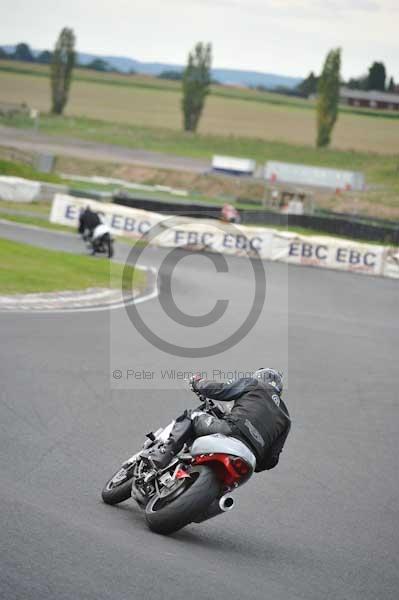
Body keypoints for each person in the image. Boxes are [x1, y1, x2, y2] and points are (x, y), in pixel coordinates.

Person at [143, 368, 291, 473]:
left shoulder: (255, 384)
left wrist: (198, 382)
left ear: (259, 377)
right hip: (251, 456)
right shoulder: (286, 417)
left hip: (233, 429)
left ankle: (160, 456)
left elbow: (221, 390)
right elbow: (272, 459)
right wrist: (255, 463)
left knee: (191, 416)